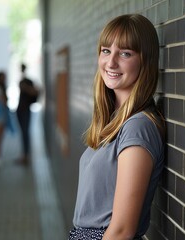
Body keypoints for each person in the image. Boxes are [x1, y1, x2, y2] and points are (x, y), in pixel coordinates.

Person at [69, 14, 165, 240]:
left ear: (145, 61)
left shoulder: (138, 127)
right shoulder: (116, 121)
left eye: (125, 53)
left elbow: (122, 231)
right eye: (105, 51)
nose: (111, 63)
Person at [15, 63, 39, 166]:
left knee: (25, 133)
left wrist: (26, 88)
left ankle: (26, 156)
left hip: (26, 110)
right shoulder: (21, 81)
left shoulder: (28, 81)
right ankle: (24, 155)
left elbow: (35, 92)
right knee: (23, 133)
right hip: (20, 110)